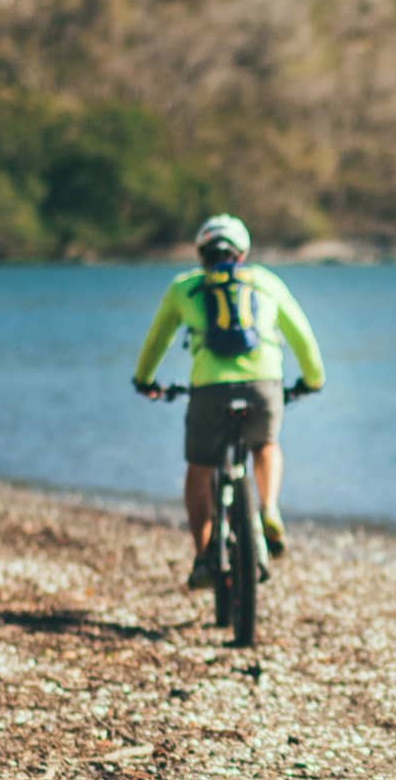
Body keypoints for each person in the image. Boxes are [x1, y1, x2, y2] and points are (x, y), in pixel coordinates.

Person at [133, 214, 326, 588]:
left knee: (199, 469)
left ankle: (205, 556)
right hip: (264, 383)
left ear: (201, 252)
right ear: (243, 253)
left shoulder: (184, 287)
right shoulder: (267, 283)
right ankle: (268, 507)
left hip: (209, 389)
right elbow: (302, 336)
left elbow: (157, 341)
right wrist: (312, 380)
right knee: (265, 444)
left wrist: (144, 380)